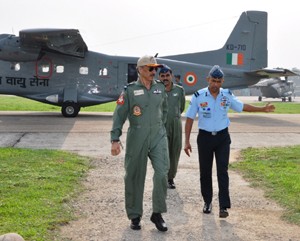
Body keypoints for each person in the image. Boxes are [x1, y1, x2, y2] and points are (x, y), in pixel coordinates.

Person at [184, 65, 275, 218]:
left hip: (222, 138)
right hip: (205, 138)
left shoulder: (227, 95)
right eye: (213, 81)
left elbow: (242, 106)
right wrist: (186, 141)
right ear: (208, 79)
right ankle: (207, 202)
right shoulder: (198, 96)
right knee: (205, 172)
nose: (216, 84)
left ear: (222, 81)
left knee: (222, 171)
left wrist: (262, 109)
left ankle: (223, 206)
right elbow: (190, 118)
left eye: (219, 81)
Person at [110, 55, 169, 232]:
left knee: (161, 173)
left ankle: (157, 213)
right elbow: (119, 115)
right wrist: (115, 139)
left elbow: (164, 110)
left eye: (156, 69)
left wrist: (162, 129)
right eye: (151, 68)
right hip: (138, 135)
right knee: (134, 176)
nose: (154, 72)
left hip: (158, 135)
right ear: (141, 69)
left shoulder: (160, 88)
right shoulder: (129, 90)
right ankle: (135, 215)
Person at [158, 65, 185, 189]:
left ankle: (170, 178)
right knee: (162, 152)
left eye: (167, 75)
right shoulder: (156, 90)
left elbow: (181, 107)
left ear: (171, 76)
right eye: (162, 76)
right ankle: (162, 177)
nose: (165, 78)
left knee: (174, 152)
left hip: (175, 125)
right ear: (159, 77)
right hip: (160, 125)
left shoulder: (179, 90)